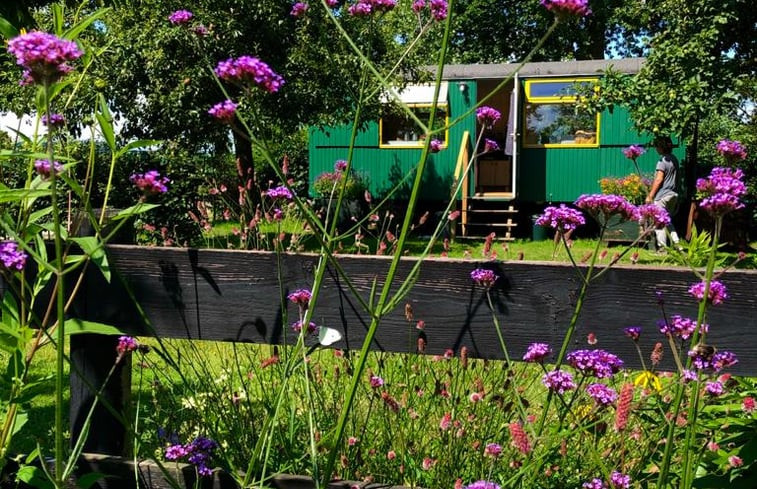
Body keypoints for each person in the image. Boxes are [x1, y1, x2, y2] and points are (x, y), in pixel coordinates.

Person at [645, 135, 681, 249]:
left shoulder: (662, 161)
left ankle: (662, 248)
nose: (656, 149)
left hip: (663, 196)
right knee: (667, 221)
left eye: (657, 146)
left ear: (661, 147)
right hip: (673, 195)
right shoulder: (674, 159)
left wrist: (650, 195)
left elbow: (659, 179)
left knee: (658, 222)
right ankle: (677, 244)